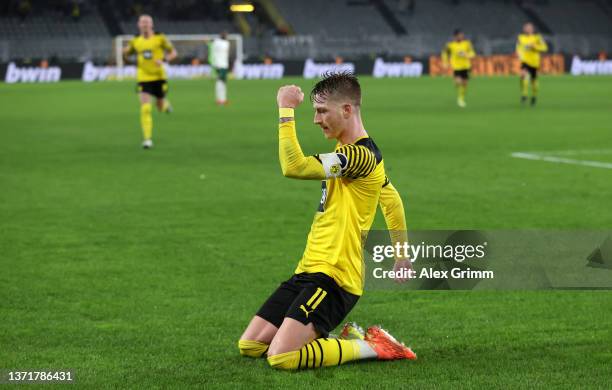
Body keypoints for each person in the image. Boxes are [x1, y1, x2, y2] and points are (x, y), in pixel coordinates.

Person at [238, 73, 416, 370]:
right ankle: (339, 337)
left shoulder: (360, 155)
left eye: (322, 111)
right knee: (251, 345)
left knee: (281, 357)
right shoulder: (351, 154)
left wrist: (285, 110)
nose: (316, 119)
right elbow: (392, 198)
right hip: (309, 269)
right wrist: (401, 255)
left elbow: (293, 167)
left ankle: (370, 346)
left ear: (347, 109)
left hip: (336, 277)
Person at [123, 14, 177, 149]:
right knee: (146, 108)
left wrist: (164, 60)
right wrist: (124, 54)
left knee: (159, 106)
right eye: (143, 22)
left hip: (159, 77)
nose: (145, 24)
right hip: (143, 77)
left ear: (152, 24)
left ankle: (165, 105)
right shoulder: (135, 41)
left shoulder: (160, 38)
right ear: (138, 25)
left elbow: (173, 53)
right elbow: (127, 55)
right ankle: (147, 139)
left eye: (147, 22)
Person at [442, 29, 475, 108]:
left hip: (466, 66)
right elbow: (444, 53)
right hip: (456, 66)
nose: (461, 36)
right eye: (460, 35)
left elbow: (473, 53)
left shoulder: (467, 43)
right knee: (459, 82)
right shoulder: (450, 45)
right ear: (455, 36)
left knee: (465, 84)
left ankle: (461, 99)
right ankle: (456, 84)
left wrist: (466, 55)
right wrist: (445, 62)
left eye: (462, 35)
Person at [516, 22, 548, 106]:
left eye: (528, 28)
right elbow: (518, 47)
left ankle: (534, 96)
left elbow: (545, 48)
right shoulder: (520, 37)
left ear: (532, 29)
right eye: (525, 28)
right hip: (525, 60)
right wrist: (519, 54)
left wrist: (535, 47)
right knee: (523, 75)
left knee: (533, 81)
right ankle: (524, 94)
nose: (526, 29)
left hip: (534, 62)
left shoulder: (537, 38)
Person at [209, 32, 230, 105]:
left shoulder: (216, 42)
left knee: (220, 81)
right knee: (222, 82)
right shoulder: (226, 43)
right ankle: (221, 99)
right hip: (223, 65)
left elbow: (211, 41)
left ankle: (222, 99)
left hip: (217, 64)